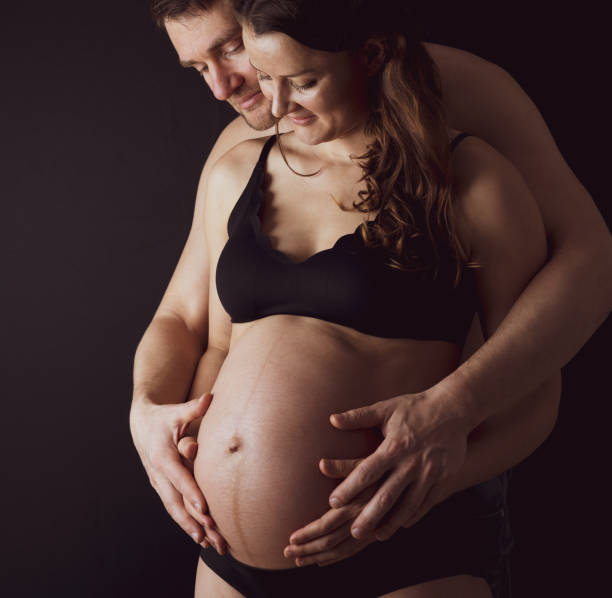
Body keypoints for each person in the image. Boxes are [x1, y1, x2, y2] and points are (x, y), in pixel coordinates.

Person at [129, 0, 611, 592]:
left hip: (402, 540)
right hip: (226, 556)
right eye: (197, 67)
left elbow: (590, 262)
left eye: (231, 47)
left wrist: (457, 409)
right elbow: (192, 320)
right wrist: (147, 411)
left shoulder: (465, 120)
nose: (225, 85)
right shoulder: (241, 155)